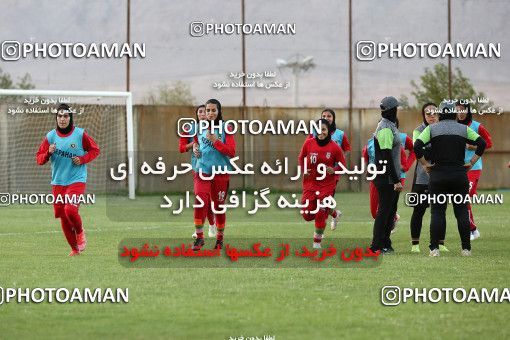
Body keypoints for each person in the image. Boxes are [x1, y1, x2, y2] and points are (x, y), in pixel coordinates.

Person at [414, 100, 486, 257]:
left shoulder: (432, 129)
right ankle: (466, 249)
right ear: (454, 113)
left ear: (440, 113)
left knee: (437, 213)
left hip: (438, 176)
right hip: (459, 176)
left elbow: (417, 146)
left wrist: (425, 164)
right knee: (461, 212)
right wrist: (471, 163)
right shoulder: (463, 129)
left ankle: (434, 249)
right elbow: (482, 143)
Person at [36, 103, 100, 256]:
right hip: (58, 182)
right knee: (63, 218)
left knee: (70, 209)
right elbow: (39, 158)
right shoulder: (50, 137)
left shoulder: (79, 134)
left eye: (66, 116)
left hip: (76, 180)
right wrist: (48, 154)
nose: (62, 119)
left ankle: (80, 231)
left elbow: (95, 150)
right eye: (60, 116)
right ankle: (74, 250)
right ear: (56, 118)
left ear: (70, 118)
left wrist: (83, 159)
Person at [192, 99, 235, 250]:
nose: (210, 113)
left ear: (219, 111)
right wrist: (195, 150)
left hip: (220, 173)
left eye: (213, 110)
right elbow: (197, 143)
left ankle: (220, 239)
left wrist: (216, 141)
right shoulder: (199, 128)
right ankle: (199, 238)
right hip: (202, 171)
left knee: (218, 207)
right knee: (200, 202)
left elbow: (231, 152)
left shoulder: (226, 128)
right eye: (208, 110)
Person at [298, 119, 346, 249]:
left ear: (329, 131)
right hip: (310, 184)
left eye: (324, 129)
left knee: (320, 212)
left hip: (326, 185)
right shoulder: (308, 143)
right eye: (318, 129)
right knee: (307, 215)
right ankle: (334, 213)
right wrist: (303, 170)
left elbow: (343, 166)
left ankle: (316, 243)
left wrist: (334, 170)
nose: (321, 132)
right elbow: (301, 158)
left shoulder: (334, 147)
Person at [362, 118, 414, 235]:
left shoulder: (402, 138)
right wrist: (368, 169)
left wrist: (405, 166)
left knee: (387, 208)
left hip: (397, 177)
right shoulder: (372, 141)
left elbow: (414, 149)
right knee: (375, 212)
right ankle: (393, 219)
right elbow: (366, 155)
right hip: (378, 177)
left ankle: (384, 238)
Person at [409, 103, 449, 253]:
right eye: (428, 113)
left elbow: (439, 150)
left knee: (440, 211)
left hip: (441, 177)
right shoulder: (417, 131)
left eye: (434, 113)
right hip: (422, 178)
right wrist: (432, 151)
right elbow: (419, 151)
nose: (431, 116)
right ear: (423, 115)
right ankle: (415, 245)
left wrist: (428, 149)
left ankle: (441, 243)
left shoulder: (444, 130)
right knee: (418, 211)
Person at [369, 96, 403, 254]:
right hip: (385, 176)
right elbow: (386, 155)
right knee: (384, 211)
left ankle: (385, 243)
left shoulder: (390, 125)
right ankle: (376, 245)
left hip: (388, 174)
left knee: (390, 211)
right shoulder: (385, 128)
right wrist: (395, 179)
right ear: (392, 110)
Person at [178, 104, 217, 239]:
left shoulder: (215, 129)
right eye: (200, 112)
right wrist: (194, 144)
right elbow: (181, 148)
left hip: (214, 168)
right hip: (198, 168)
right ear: (197, 114)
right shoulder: (190, 129)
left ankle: (212, 224)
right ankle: (199, 229)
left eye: (204, 112)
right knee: (201, 199)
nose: (202, 114)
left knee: (211, 200)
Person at [456, 101, 492, 240]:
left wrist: (472, 146)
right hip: (459, 168)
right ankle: (472, 229)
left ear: (468, 110)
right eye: (457, 110)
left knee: (463, 198)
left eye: (462, 109)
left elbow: (488, 143)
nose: (460, 112)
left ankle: (473, 230)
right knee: (463, 199)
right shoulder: (455, 127)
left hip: (474, 167)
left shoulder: (477, 126)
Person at [309, 108, 350, 230]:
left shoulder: (340, 134)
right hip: (316, 172)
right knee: (317, 202)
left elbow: (347, 149)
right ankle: (335, 214)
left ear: (333, 118)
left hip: (332, 172)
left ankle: (319, 233)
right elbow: (308, 147)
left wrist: (338, 159)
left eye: (329, 116)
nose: (326, 118)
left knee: (324, 202)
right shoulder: (314, 131)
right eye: (324, 116)